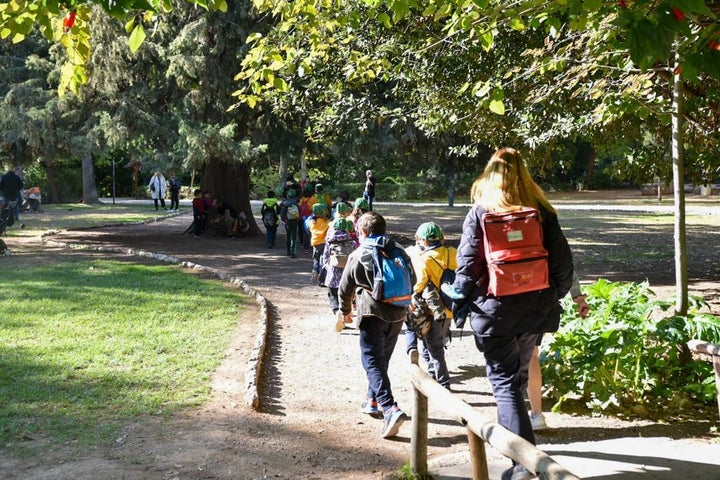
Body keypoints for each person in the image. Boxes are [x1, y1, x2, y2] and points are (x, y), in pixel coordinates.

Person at [447, 147, 573, 480]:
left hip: (495, 310)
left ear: (490, 176)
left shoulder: (481, 211)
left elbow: (468, 264)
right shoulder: (542, 210)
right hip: (535, 308)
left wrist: (460, 296)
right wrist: (550, 297)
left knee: (505, 383)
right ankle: (522, 458)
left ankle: (523, 464)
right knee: (515, 378)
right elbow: (563, 263)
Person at [338, 211, 416, 438]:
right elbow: (413, 277)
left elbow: (344, 288)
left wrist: (344, 312)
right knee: (382, 359)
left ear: (362, 232)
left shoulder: (359, 253)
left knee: (371, 360)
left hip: (372, 313)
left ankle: (389, 407)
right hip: (398, 312)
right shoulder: (399, 250)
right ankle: (371, 399)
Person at [527, 274, 589, 431]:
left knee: (502, 357)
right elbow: (567, 267)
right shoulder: (548, 246)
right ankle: (536, 415)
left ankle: (511, 414)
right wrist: (579, 298)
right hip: (538, 298)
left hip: (502, 298)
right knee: (531, 354)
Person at [405, 222, 457, 390]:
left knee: (434, 346)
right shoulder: (452, 252)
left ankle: (443, 383)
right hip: (451, 306)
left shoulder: (425, 258)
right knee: (436, 342)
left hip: (433, 308)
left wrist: (410, 295)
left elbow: (420, 283)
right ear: (441, 237)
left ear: (422, 240)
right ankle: (432, 373)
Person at [321, 217, 358, 316]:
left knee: (333, 295)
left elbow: (325, 257)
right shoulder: (351, 242)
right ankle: (346, 313)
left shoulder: (329, 242)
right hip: (347, 275)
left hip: (333, 274)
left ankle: (337, 311)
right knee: (346, 295)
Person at [305, 203, 330, 284]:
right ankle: (322, 279)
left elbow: (306, 228)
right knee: (324, 260)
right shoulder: (327, 222)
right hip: (325, 243)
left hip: (315, 243)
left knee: (316, 259)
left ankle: (315, 272)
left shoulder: (311, 222)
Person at [280, 189, 300, 258]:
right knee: (293, 237)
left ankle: (288, 251)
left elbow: (282, 214)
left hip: (287, 221)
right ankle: (293, 252)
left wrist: (283, 220)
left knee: (288, 236)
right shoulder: (296, 203)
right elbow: (299, 212)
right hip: (294, 221)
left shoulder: (284, 203)